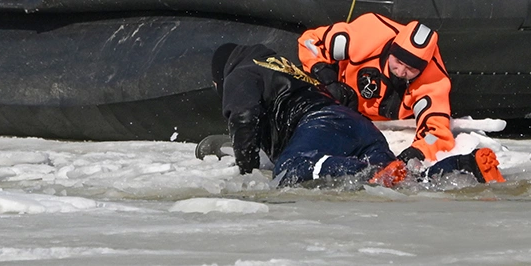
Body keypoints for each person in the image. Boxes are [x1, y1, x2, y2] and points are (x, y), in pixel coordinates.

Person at [212, 42, 503, 187]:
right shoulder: (283, 67)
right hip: (357, 127)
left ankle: (370, 172)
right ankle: (466, 165)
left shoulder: (241, 73)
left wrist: (247, 176)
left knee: (291, 167)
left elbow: (244, 118)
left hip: (318, 123)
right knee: (405, 182)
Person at [297, 12, 457, 167]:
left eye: (410, 69)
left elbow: (436, 135)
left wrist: (417, 152)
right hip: (342, 103)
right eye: (398, 62)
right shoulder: (368, 33)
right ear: (391, 51)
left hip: (382, 128)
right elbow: (310, 41)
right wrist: (329, 80)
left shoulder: (434, 82)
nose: (401, 72)